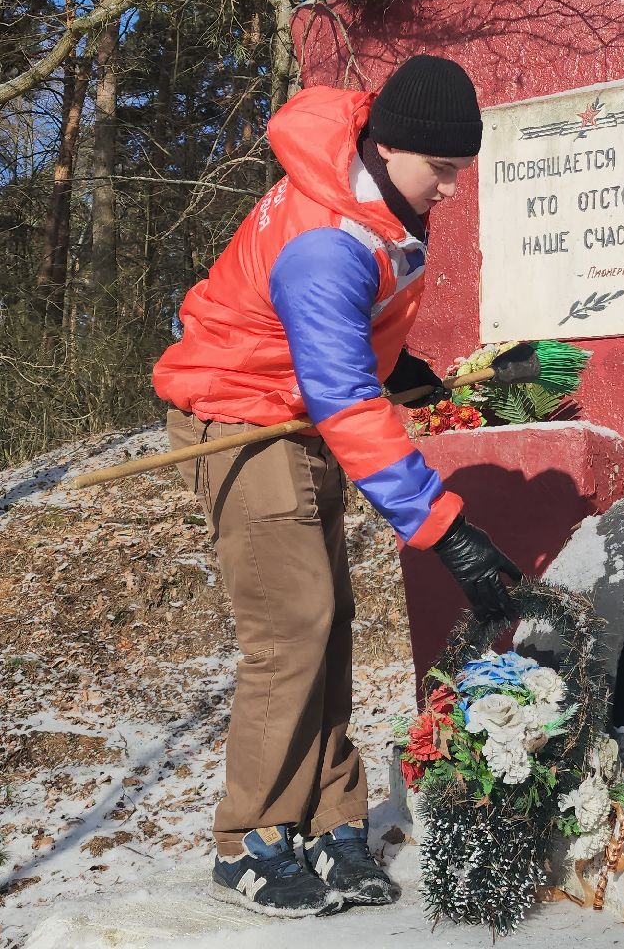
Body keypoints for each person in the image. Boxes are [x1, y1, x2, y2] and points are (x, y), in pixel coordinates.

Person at [151, 55, 527, 916]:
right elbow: (345, 396)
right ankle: (250, 839)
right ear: (389, 146)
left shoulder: (373, 191)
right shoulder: (327, 242)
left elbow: (345, 354)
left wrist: (397, 365)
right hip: (244, 422)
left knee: (326, 623)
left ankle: (328, 819)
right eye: (443, 169)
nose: (452, 190)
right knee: (291, 628)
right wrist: (443, 529)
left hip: (293, 417)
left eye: (460, 170)